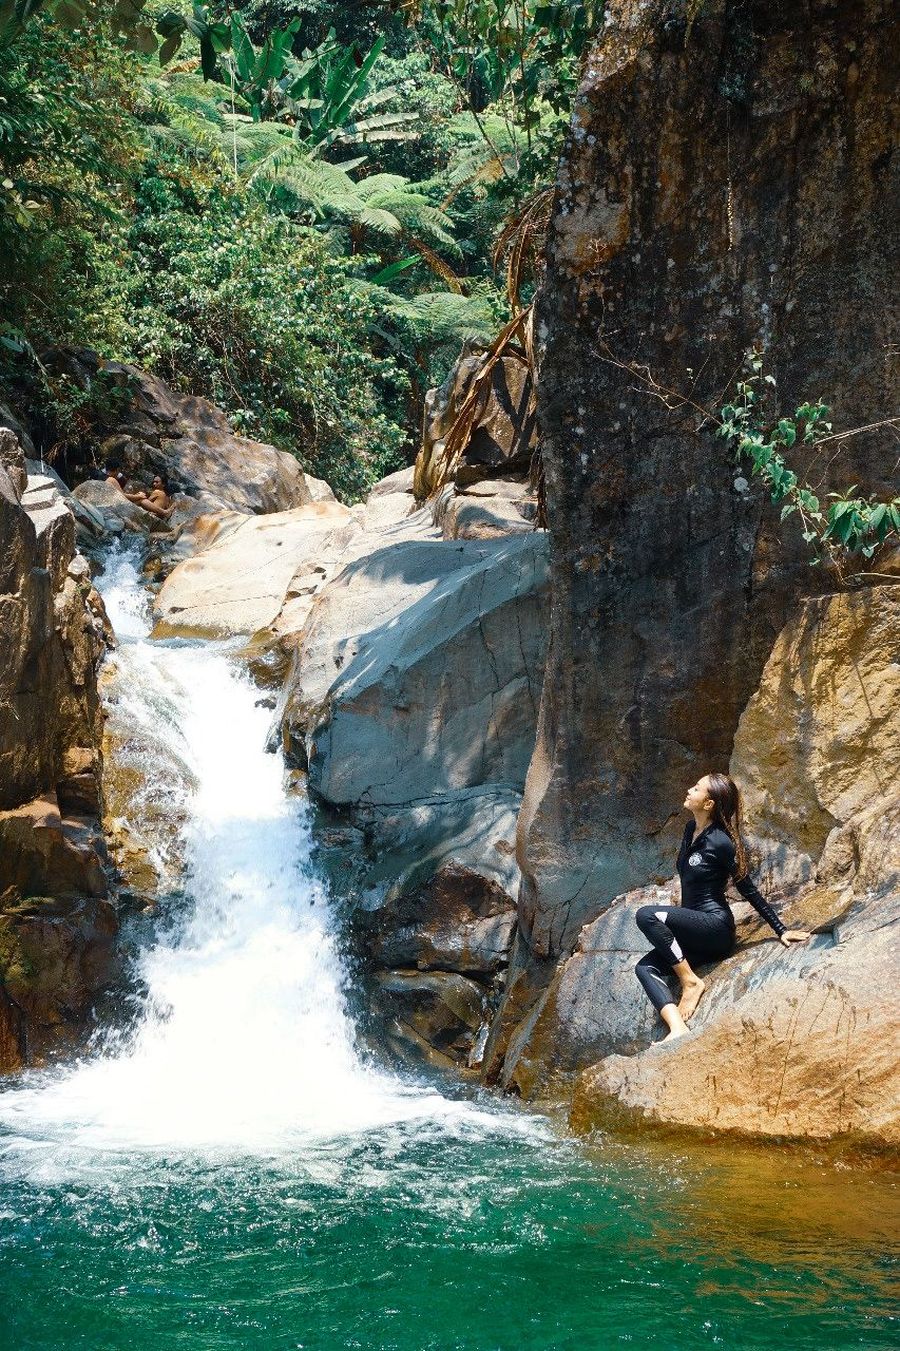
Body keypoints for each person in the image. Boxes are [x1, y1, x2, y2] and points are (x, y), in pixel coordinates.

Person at [634, 772, 810, 1043]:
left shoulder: (720, 841)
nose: (689, 790)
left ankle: (690, 982)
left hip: (714, 928)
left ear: (709, 804)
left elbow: (746, 887)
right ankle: (677, 1027)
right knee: (645, 967)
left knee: (646, 914)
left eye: (697, 788)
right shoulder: (689, 830)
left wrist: (780, 929)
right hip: (693, 933)